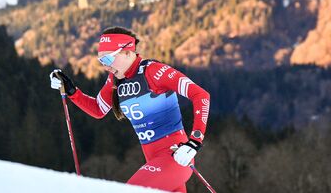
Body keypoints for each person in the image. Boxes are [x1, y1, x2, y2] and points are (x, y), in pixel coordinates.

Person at [49, 26, 210, 193]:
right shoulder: (116, 80)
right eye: (102, 61)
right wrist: (72, 91)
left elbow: (201, 95)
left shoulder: (154, 71)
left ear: (127, 52)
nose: (106, 67)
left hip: (176, 157)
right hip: (154, 160)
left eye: (109, 60)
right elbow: (98, 109)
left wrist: (194, 142)